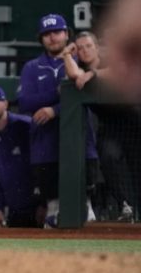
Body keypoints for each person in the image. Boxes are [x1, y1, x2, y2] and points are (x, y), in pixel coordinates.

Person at [18, 14, 99, 227]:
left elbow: (86, 93)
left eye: (57, 32)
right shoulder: (32, 67)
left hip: (80, 140)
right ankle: (52, 260)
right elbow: (25, 102)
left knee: (86, 207)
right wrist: (58, 93)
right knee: (52, 208)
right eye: (47, 34)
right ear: (41, 38)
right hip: (45, 142)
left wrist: (54, 110)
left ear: (66, 34)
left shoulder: (80, 60)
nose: (53, 37)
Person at [62, 31, 134, 221]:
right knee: (109, 156)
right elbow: (73, 74)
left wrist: (92, 73)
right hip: (111, 125)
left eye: (89, 46)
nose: (85, 51)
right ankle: (126, 205)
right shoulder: (79, 69)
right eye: (80, 48)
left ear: (97, 48)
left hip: (134, 118)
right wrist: (67, 54)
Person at [0, 85, 39, 228]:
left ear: (5, 103)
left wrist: (43, 203)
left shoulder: (25, 126)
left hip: (37, 204)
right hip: (13, 208)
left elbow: (42, 167)